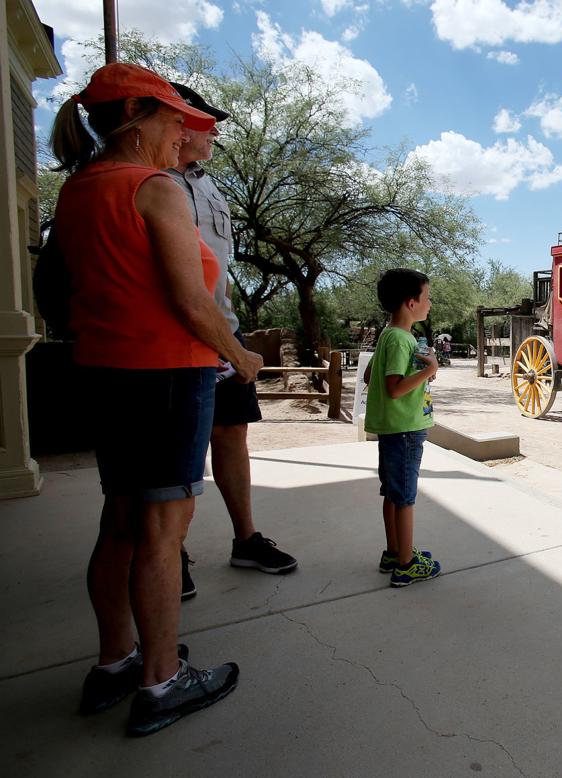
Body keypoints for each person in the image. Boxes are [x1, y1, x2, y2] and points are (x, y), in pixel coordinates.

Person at [50, 62, 263, 736]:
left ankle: (116, 660)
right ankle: (163, 680)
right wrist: (240, 357)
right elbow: (192, 303)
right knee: (163, 533)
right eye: (174, 119)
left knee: (119, 520)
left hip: (108, 372)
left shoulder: (79, 188)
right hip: (167, 374)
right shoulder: (155, 187)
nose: (183, 132)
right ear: (135, 118)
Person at [166, 83, 297, 599]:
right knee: (179, 448)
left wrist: (230, 333)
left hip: (222, 323)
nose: (215, 133)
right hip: (177, 333)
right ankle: (168, 553)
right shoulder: (152, 182)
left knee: (232, 434)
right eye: (205, 123)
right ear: (177, 125)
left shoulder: (209, 187)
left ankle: (246, 539)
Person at [363, 269, 442, 587]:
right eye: (427, 298)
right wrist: (429, 370)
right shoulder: (401, 339)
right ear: (411, 303)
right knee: (406, 497)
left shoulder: (389, 334)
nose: (430, 304)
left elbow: (370, 376)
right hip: (405, 430)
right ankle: (407, 565)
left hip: (392, 429)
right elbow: (394, 388)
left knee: (393, 493)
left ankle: (394, 552)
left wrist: (418, 369)